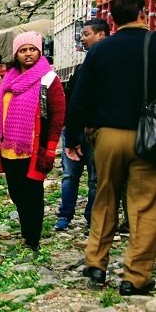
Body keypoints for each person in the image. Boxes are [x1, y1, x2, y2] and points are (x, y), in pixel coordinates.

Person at [65, 0, 156, 295]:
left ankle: (96, 263)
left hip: (108, 136)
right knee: (145, 205)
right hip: (153, 136)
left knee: (105, 197)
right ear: (143, 13)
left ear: (113, 19)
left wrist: (72, 137)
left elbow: (81, 98)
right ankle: (135, 276)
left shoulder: (99, 50)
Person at [0, 31, 65, 253]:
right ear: (16, 54)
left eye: (32, 49)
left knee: (32, 194)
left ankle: (32, 239)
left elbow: (58, 114)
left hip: (33, 149)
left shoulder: (48, 78)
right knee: (16, 193)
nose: (28, 54)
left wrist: (50, 147)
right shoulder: (8, 79)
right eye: (23, 50)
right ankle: (26, 231)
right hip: (9, 149)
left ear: (39, 51)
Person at [55, 18, 109, 231]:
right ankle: (65, 215)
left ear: (101, 34)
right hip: (76, 130)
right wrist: (69, 129)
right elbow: (72, 100)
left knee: (95, 178)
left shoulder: (109, 67)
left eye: (86, 34)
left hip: (97, 131)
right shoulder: (81, 68)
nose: (82, 39)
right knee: (70, 176)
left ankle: (91, 217)